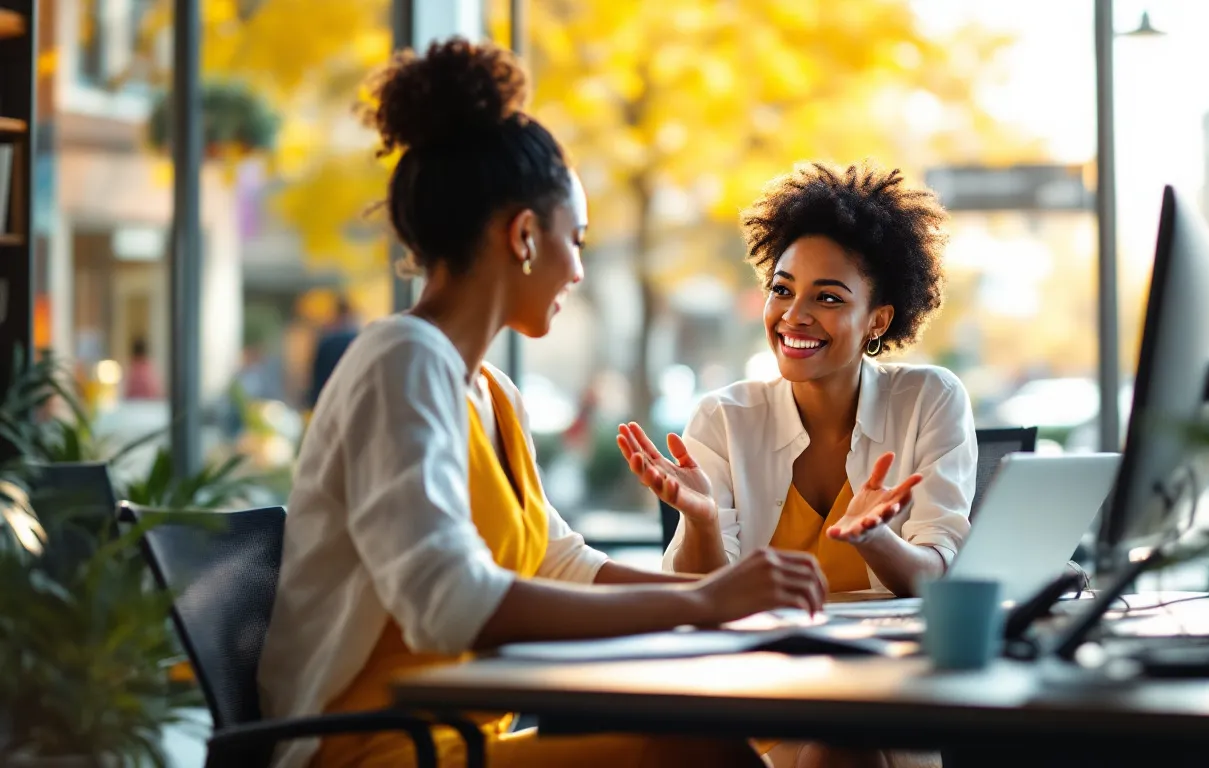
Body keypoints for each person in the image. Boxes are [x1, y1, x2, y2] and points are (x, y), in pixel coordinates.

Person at [257, 38, 825, 768]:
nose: (579, 270)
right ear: (524, 236)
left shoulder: (489, 391)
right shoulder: (401, 362)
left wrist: (717, 587)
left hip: (463, 745)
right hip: (373, 755)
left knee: (709, 741)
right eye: (575, 240)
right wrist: (699, 604)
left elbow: (558, 563)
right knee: (691, 752)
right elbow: (451, 605)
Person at [621, 161, 977, 598]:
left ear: (878, 320)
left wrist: (874, 538)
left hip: (888, 659)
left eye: (827, 297)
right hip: (760, 659)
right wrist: (702, 521)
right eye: (782, 290)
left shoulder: (929, 401)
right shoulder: (724, 419)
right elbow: (702, 595)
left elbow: (939, 574)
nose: (793, 316)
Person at [307, 295, 360, 409]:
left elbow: (316, 379)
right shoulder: (357, 340)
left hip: (326, 400)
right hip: (350, 400)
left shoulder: (327, 342)